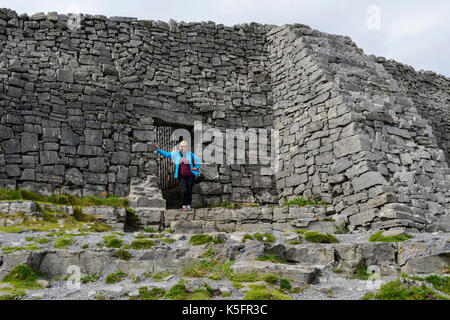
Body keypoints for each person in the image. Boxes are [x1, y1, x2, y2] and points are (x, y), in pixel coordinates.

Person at [155, 140, 201, 210]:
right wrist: (158, 150)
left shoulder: (190, 154)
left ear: (187, 147)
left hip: (190, 176)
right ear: (179, 147)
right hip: (181, 176)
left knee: (189, 191)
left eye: (185, 146)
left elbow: (198, 160)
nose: (183, 148)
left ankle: (188, 205)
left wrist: (196, 167)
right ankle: (183, 205)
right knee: (183, 191)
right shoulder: (176, 154)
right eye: (182, 146)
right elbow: (168, 154)